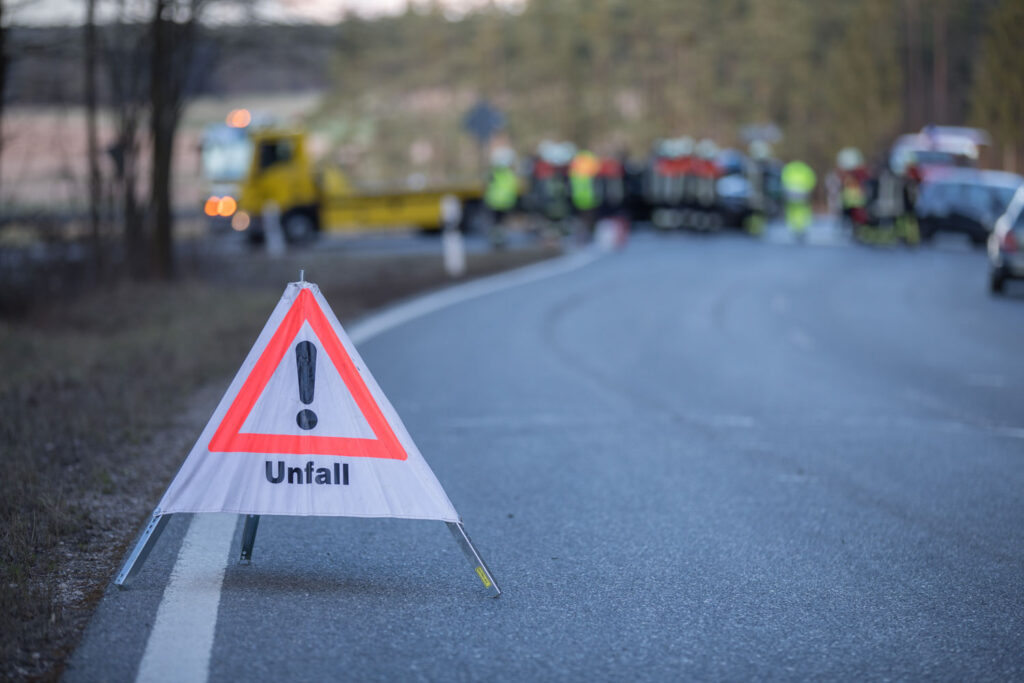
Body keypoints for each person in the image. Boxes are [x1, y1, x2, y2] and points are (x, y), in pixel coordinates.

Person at [484, 146, 519, 247]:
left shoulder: (494, 173)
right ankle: (499, 238)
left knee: (497, 224)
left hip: (495, 202)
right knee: (500, 224)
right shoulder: (508, 174)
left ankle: (498, 238)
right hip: (502, 203)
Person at [781, 159, 816, 238]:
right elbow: (811, 180)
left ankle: (795, 228)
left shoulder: (789, 169)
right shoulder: (806, 169)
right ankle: (801, 228)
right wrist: (809, 189)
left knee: (792, 211)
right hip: (803, 193)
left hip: (791, 194)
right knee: (803, 211)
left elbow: (783, 180)